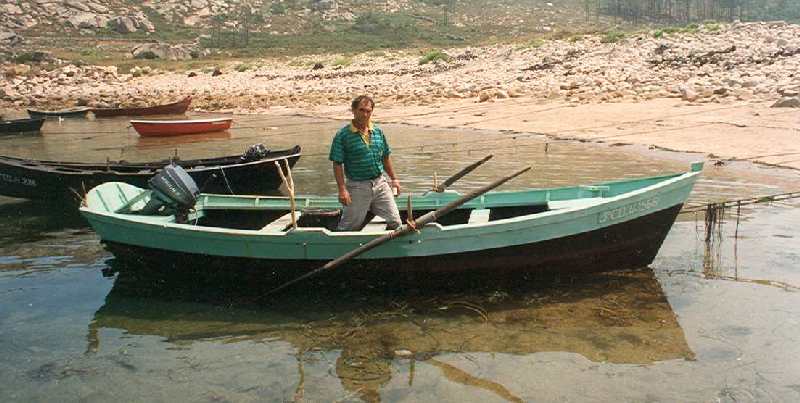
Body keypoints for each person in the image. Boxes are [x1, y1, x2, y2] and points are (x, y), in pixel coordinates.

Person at [329, 95, 402, 231]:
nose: (365, 114)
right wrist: (342, 190)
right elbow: (337, 163)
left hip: (380, 184)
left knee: (396, 222)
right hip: (357, 187)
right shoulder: (342, 135)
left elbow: (385, 157)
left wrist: (394, 179)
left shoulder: (378, 132)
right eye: (362, 110)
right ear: (353, 110)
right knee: (349, 227)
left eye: (368, 111)